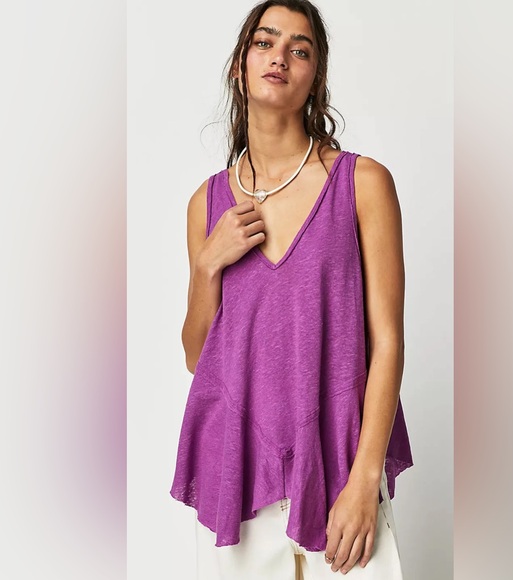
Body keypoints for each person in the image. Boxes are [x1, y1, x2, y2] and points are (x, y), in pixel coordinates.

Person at [169, 1, 413, 578]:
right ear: (240, 66)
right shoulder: (206, 203)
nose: (279, 57)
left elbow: (387, 342)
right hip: (237, 471)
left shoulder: (362, 183)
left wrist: (364, 480)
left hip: (340, 464)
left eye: (298, 49)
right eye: (265, 42)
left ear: (315, 77)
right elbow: (197, 357)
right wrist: (207, 265)